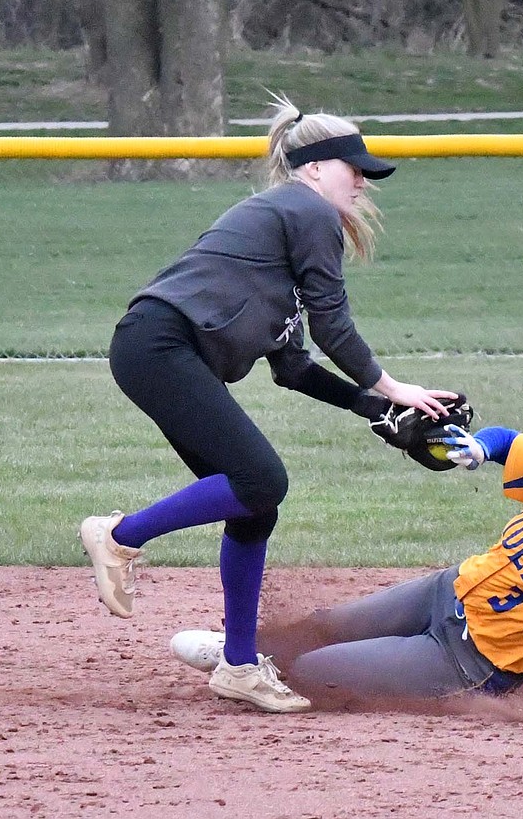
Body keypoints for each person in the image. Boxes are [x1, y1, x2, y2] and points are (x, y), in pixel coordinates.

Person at [79, 95, 458, 714]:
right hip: (160, 345)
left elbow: (296, 368)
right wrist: (394, 388)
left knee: (254, 506)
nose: (362, 179)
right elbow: (334, 326)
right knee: (262, 478)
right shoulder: (306, 210)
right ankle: (119, 536)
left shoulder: (281, 234)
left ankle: (239, 667)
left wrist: (375, 412)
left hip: (161, 352)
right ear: (312, 168)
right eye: (351, 166)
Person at [170, 404, 523, 720]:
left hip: (467, 661)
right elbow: (503, 440)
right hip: (445, 591)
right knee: (326, 626)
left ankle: (265, 669)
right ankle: (239, 652)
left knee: (313, 669)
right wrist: (478, 447)